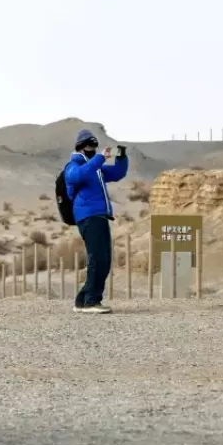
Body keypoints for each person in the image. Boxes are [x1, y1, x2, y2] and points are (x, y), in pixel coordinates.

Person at [63, 129, 129, 314]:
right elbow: (77, 176)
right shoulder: (72, 166)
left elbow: (117, 173)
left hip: (100, 216)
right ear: (80, 147)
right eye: (89, 145)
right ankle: (91, 300)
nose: (92, 148)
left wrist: (122, 157)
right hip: (88, 216)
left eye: (94, 145)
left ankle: (84, 300)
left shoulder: (96, 169)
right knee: (97, 259)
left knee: (104, 260)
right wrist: (99, 158)